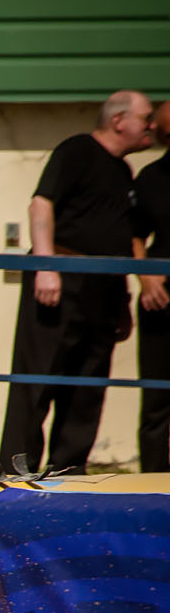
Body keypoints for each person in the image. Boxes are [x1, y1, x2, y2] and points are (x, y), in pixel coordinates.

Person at [0, 91, 157, 475]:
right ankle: (17, 470)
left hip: (102, 289)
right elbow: (41, 203)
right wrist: (47, 265)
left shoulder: (123, 172)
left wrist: (121, 301)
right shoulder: (76, 150)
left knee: (87, 385)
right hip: (61, 279)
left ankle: (68, 470)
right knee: (38, 378)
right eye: (146, 117)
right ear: (119, 120)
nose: (152, 126)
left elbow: (117, 238)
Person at [136, 101, 170, 475]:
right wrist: (145, 278)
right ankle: (154, 479)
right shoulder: (151, 178)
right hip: (161, 300)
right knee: (157, 400)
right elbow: (135, 235)